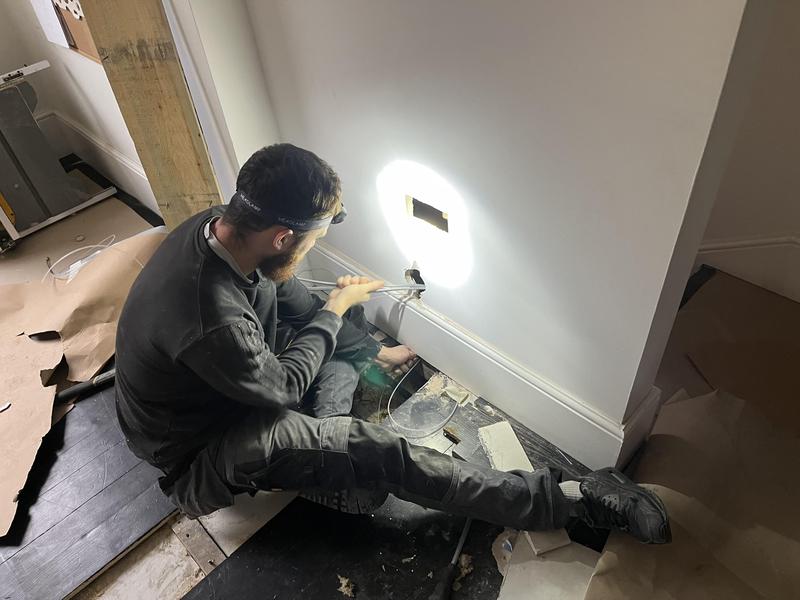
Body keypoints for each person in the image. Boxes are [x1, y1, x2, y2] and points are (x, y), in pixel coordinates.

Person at [115, 143, 670, 544]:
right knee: (375, 457)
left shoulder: (225, 227)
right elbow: (281, 387)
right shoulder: (211, 317)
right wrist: (336, 310)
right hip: (203, 451)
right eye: (310, 242)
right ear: (282, 236)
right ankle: (570, 499)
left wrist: (368, 349)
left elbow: (288, 296)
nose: (310, 251)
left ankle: (329, 451)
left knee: (343, 347)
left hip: (224, 389)